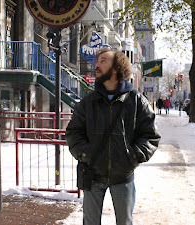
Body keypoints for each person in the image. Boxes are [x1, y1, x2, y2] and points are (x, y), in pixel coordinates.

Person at [65, 48, 161, 225]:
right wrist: (86, 154)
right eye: (97, 61)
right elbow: (73, 133)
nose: (97, 65)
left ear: (116, 68)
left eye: (103, 61)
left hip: (123, 177)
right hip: (92, 175)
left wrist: (131, 157)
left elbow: (150, 135)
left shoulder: (136, 100)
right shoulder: (88, 101)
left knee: (125, 222)